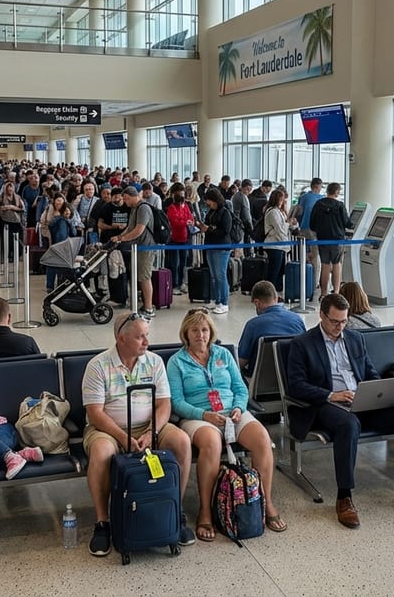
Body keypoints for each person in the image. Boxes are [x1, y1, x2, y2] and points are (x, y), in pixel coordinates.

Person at [286, 294, 394, 527]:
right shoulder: (302, 344)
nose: (340, 327)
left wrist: (376, 391)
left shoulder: (355, 338)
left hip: (361, 400)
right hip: (326, 404)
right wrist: (331, 395)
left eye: (344, 321)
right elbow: (296, 385)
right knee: (348, 424)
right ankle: (344, 496)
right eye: (334, 321)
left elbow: (370, 373)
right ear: (321, 315)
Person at [82, 311, 196, 556]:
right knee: (102, 452)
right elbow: (95, 413)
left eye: (147, 335)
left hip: (149, 426)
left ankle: (175, 512)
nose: (147, 342)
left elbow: (164, 405)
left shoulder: (154, 362)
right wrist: (122, 437)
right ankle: (102, 523)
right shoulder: (98, 366)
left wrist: (151, 432)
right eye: (140, 337)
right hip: (108, 429)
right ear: (121, 338)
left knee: (182, 442)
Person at [167, 309, 285, 541]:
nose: (200, 335)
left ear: (211, 332)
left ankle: (265, 501)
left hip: (232, 414)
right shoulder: (177, 362)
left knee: (262, 438)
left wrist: (239, 408)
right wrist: (204, 414)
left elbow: (240, 387)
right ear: (186, 333)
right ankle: (205, 511)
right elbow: (176, 402)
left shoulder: (223, 354)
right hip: (197, 416)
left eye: (204, 329)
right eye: (194, 330)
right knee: (211, 443)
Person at [238, 281, 307, 371]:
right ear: (277, 298)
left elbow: (241, 361)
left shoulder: (253, 325)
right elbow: (305, 350)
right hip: (293, 374)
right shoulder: (297, 320)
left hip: (261, 376)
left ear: (257, 303)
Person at [112, 186, 157, 317]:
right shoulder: (134, 208)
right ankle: (144, 305)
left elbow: (139, 230)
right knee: (140, 276)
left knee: (144, 277)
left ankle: (149, 308)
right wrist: (119, 237)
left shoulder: (143, 208)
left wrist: (123, 238)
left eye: (126, 199)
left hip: (146, 247)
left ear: (133, 196)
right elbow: (130, 227)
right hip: (137, 247)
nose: (125, 202)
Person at [194, 188, 234, 314]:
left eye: (208, 200)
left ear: (214, 199)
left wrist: (209, 229)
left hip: (221, 248)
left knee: (220, 276)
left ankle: (224, 302)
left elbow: (226, 230)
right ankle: (217, 300)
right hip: (210, 246)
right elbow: (207, 226)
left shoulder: (225, 212)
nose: (207, 203)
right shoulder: (211, 211)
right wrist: (199, 225)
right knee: (214, 276)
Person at [309, 182, 352, 298]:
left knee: (325, 265)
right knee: (337, 264)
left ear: (327, 191)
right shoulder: (340, 205)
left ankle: (324, 293)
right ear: (337, 192)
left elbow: (312, 223)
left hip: (322, 239)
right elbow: (347, 223)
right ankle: (336, 292)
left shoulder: (319, 204)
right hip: (337, 239)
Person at [289, 177, 324, 277]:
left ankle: (303, 277)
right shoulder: (321, 198)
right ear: (317, 187)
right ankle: (315, 279)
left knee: (304, 254)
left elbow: (299, 213)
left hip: (304, 229)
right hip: (315, 230)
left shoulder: (303, 197)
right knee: (315, 256)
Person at [164, 184, 195, 295]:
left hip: (185, 238)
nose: (181, 195)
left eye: (182, 193)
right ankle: (174, 285)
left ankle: (181, 282)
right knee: (174, 263)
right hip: (174, 239)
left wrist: (188, 221)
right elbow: (174, 221)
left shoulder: (185, 205)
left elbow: (190, 217)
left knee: (183, 262)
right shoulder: (171, 207)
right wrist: (185, 221)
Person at [0, 180, 25, 263]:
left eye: (11, 189)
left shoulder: (17, 197)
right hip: (5, 221)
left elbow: (22, 208)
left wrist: (12, 207)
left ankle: (17, 254)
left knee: (17, 239)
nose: (10, 191)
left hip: (16, 221)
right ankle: (8, 255)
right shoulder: (1, 197)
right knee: (7, 239)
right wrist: (2, 208)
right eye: (8, 189)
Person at [263, 189, 290, 291]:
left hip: (280, 246)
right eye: (282, 200)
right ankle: (270, 293)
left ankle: (276, 293)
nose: (283, 202)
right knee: (274, 272)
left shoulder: (279, 211)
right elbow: (280, 229)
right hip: (274, 246)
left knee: (279, 272)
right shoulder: (273, 212)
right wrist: (288, 224)